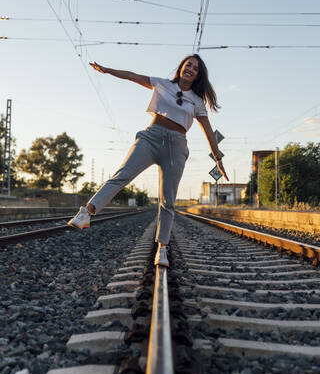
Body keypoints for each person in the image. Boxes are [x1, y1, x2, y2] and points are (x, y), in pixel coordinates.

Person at [68, 54, 229, 267]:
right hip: (151, 137)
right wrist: (107, 70)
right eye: (188, 64)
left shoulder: (198, 102)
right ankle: (86, 213)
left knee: (167, 200)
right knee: (122, 175)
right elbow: (132, 76)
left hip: (176, 146)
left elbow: (209, 132)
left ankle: (162, 249)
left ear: (198, 75)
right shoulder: (162, 84)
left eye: (195, 68)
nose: (190, 69)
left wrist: (217, 158)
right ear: (181, 67)